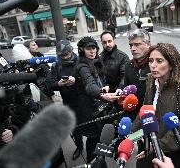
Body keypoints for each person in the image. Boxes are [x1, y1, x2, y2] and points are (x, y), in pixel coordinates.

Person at [132, 43, 180, 168]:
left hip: (171, 156)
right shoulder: (151, 81)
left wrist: (158, 145)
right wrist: (130, 135)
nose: (153, 65)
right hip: (147, 149)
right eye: (151, 61)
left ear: (171, 65)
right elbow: (145, 111)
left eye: (159, 61)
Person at [74, 36, 116, 164]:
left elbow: (99, 82)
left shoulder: (96, 62)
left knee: (102, 136)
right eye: (88, 49)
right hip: (89, 110)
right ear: (82, 50)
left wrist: (105, 87)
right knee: (93, 139)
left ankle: (101, 161)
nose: (92, 51)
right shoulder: (82, 66)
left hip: (99, 107)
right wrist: (102, 94)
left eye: (94, 48)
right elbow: (90, 86)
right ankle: (93, 163)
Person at [49, 39, 83, 161]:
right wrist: (59, 83)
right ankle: (79, 146)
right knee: (74, 127)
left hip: (84, 99)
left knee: (90, 125)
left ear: (71, 51)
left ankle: (94, 146)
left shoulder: (80, 61)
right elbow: (51, 84)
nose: (64, 57)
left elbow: (90, 79)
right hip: (68, 101)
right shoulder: (56, 65)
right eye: (61, 56)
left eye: (66, 54)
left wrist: (76, 79)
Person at [124, 29, 151, 121]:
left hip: (153, 116)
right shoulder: (128, 66)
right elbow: (127, 90)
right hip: (134, 116)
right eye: (131, 45)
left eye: (137, 44)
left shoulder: (155, 64)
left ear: (148, 44)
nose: (133, 48)